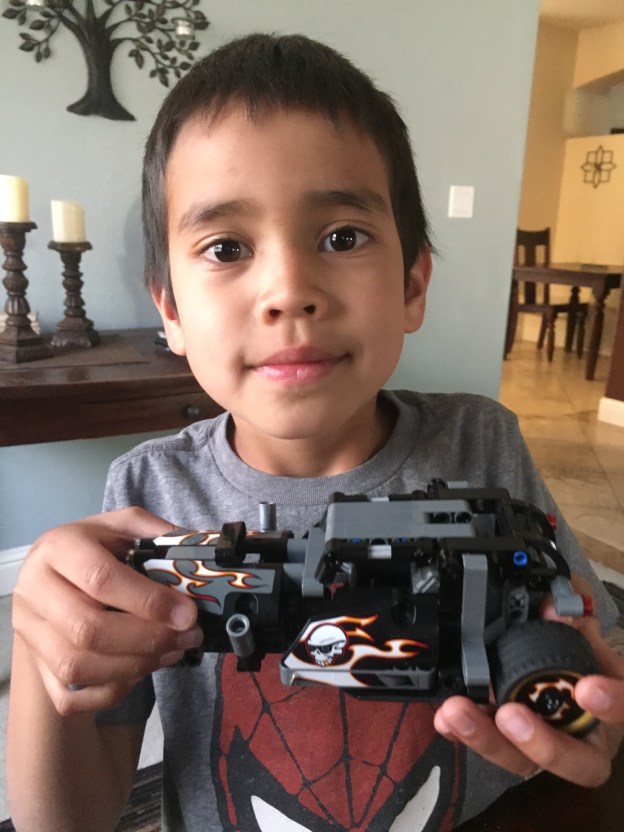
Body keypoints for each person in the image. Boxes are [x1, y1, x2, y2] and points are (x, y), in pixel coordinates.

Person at [7, 32, 624, 832]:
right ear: (170, 311)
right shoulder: (149, 498)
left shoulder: (484, 444)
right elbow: (69, 820)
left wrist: (582, 704)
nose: (289, 291)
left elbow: (587, 653)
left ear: (411, 284)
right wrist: (40, 653)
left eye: (341, 237)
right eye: (226, 247)